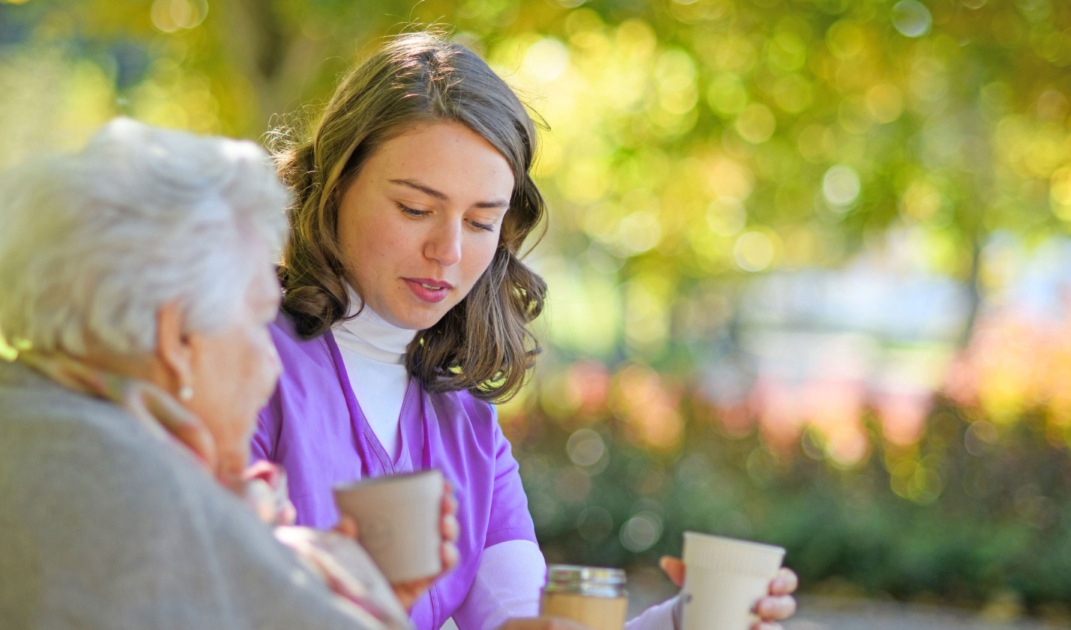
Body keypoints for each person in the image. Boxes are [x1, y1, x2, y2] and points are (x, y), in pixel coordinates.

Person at [254, 32, 799, 630]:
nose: (449, 250)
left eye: (482, 221)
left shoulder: (467, 427)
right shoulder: (238, 364)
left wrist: (684, 622)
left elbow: (525, 624)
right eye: (415, 209)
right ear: (334, 188)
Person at [0, 119, 452, 630]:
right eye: (258, 320)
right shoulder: (145, 496)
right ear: (177, 340)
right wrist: (363, 587)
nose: (270, 363)